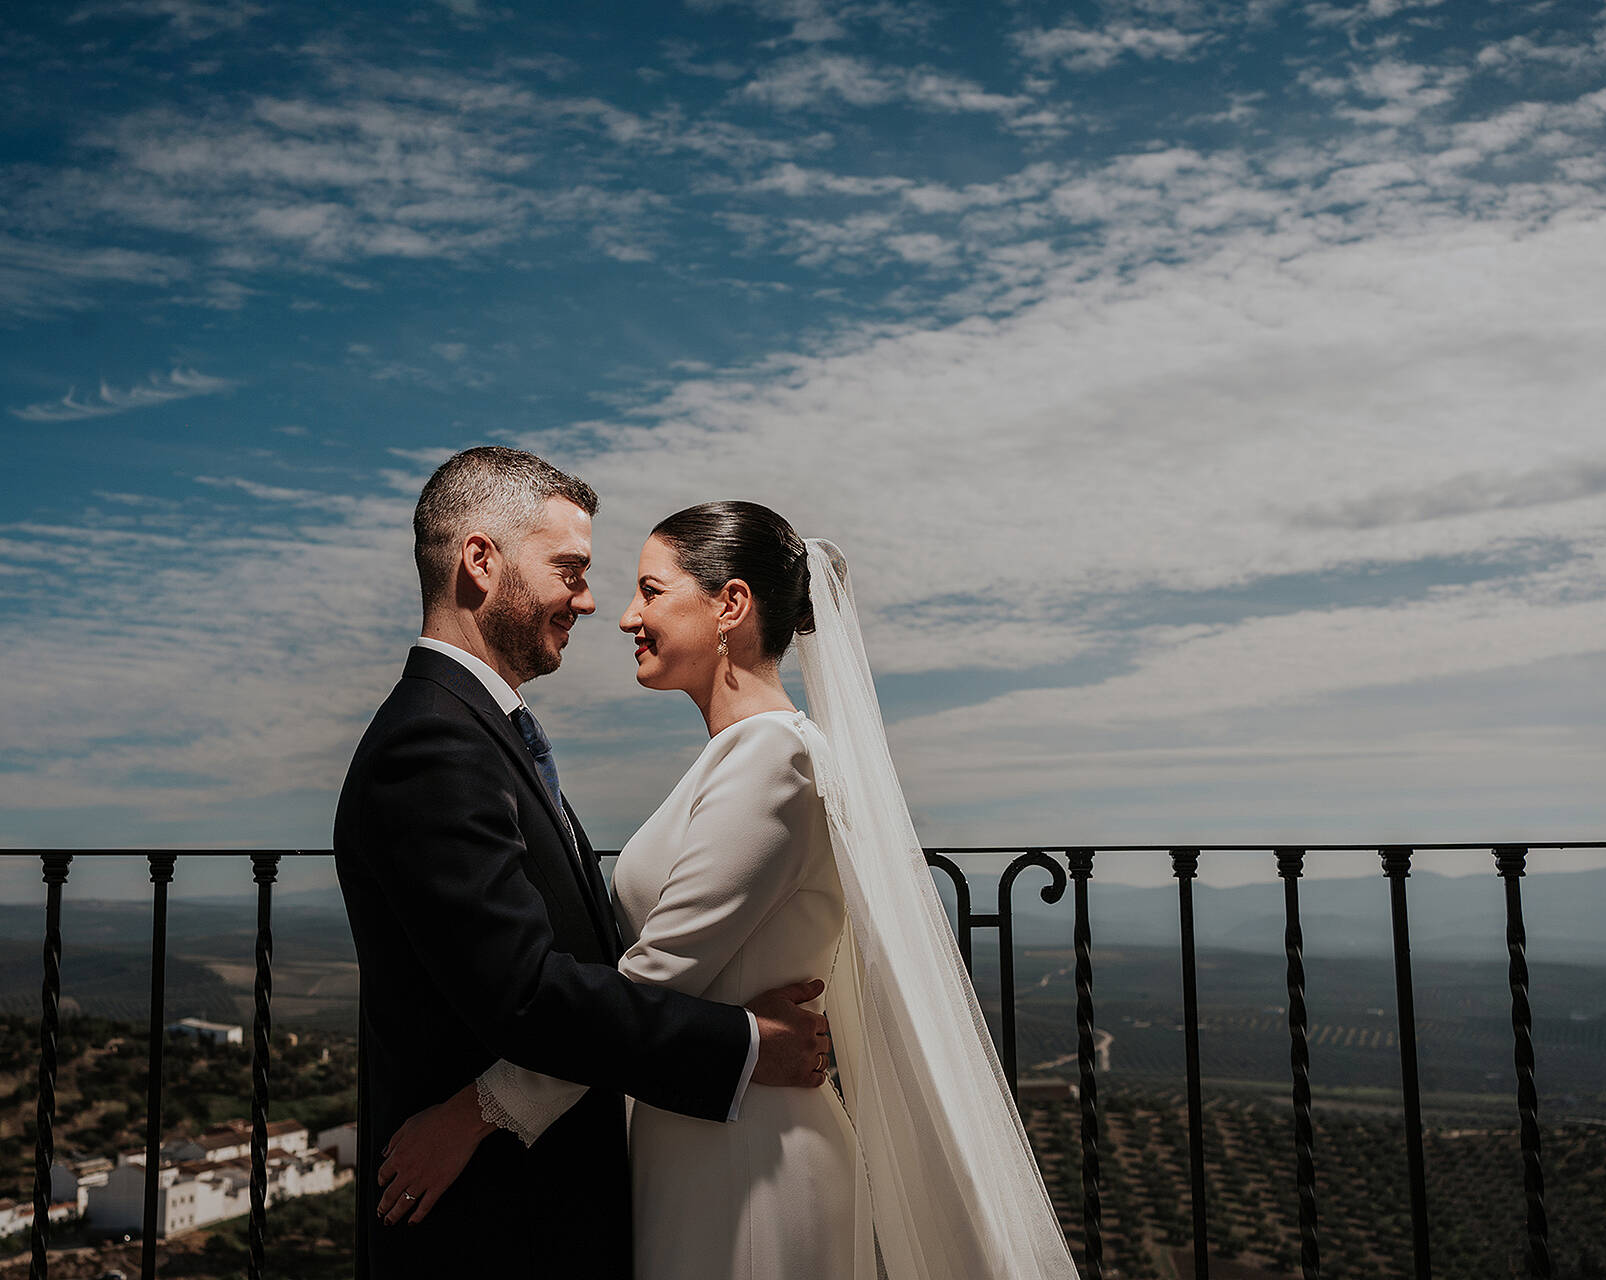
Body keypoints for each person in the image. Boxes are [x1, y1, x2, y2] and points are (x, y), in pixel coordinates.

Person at [376, 500, 1080, 1279]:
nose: (623, 616)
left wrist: (478, 1113)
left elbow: (653, 974)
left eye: (650, 590)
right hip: (700, 1135)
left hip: (748, 1159)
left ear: (730, 606)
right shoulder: (734, 759)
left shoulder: (772, 760)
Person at [334, 451, 835, 1280]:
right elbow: (531, 995)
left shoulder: (475, 733)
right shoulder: (435, 743)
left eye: (637, 586)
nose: (594, 602)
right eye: (570, 569)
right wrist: (746, 1042)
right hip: (498, 1228)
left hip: (585, 1196)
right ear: (481, 560)